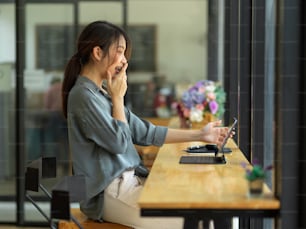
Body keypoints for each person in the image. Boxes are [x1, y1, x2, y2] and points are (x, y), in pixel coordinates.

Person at [62, 21, 230, 229]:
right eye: (120, 52)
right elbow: (119, 144)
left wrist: (201, 135)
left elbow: (146, 132)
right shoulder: (83, 96)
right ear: (98, 52)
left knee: (203, 208)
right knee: (196, 222)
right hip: (109, 194)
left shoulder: (101, 95)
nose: (124, 61)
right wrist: (118, 98)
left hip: (131, 183)